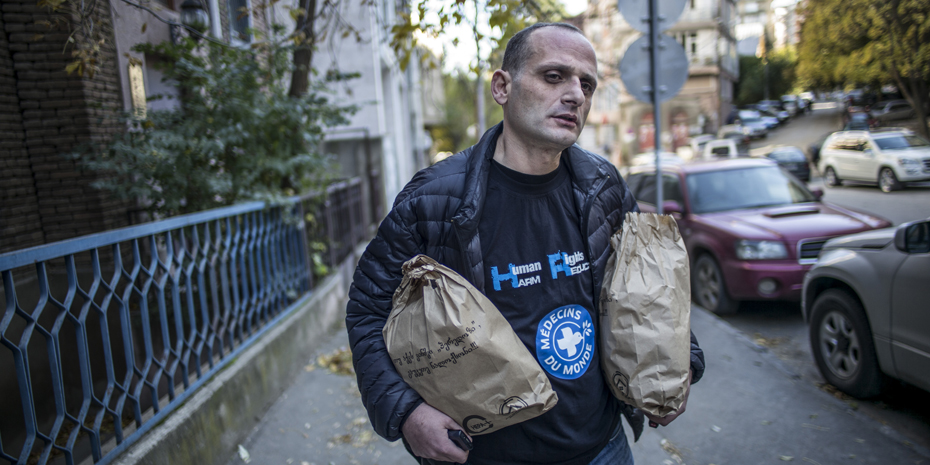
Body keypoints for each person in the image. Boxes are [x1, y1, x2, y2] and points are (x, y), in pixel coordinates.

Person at [345, 22, 705, 465]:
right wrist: (406, 413)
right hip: (485, 455)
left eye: (586, 85)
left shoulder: (602, 185)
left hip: (602, 448)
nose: (575, 95)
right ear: (502, 87)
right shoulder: (434, 199)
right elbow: (368, 310)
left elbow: (651, 284)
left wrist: (680, 360)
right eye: (554, 76)